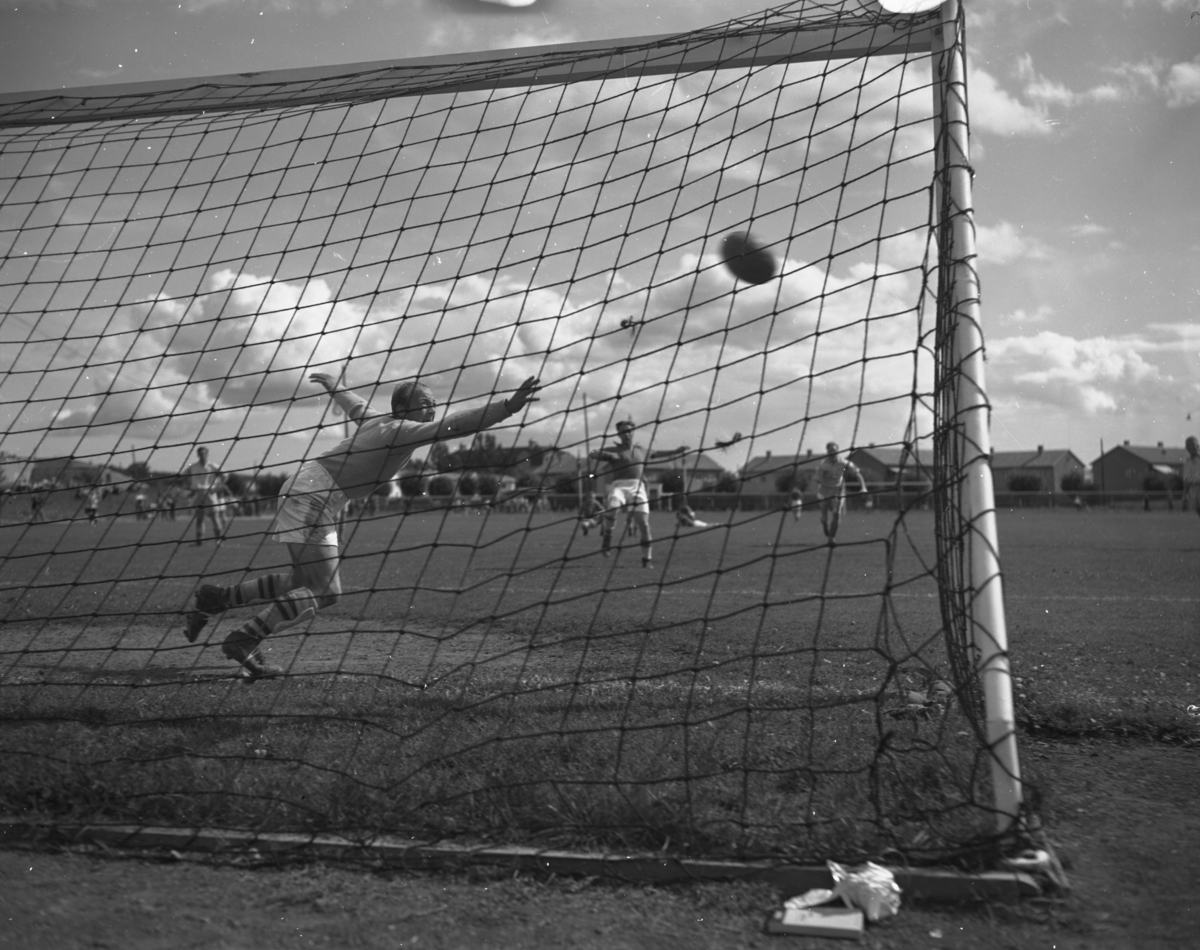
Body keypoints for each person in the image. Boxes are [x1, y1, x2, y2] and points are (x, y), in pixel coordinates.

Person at [181, 370, 541, 680]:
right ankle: (244, 638)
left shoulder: (379, 421)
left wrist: (335, 386)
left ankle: (217, 598)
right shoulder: (400, 429)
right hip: (313, 495)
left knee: (304, 584)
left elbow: (354, 404)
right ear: (402, 409)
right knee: (323, 590)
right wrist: (506, 407)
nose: (432, 407)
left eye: (433, 401)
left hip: (315, 493)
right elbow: (456, 426)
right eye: (425, 401)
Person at [588, 419, 654, 567]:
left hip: (637, 487)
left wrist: (677, 451)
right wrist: (605, 455)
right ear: (619, 434)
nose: (627, 434)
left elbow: (660, 454)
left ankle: (646, 560)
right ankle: (607, 538)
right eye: (623, 431)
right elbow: (592, 453)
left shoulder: (641, 450)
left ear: (633, 432)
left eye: (629, 431)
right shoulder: (614, 450)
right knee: (612, 508)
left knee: (643, 524)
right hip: (619, 486)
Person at [814, 442, 867, 542]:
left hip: (838, 491)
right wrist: (818, 490)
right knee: (824, 517)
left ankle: (831, 538)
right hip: (825, 491)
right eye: (830, 450)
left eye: (835, 450)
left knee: (837, 514)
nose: (833, 452)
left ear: (838, 451)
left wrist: (863, 487)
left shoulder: (843, 462)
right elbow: (817, 480)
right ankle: (824, 525)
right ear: (827, 451)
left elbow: (857, 473)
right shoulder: (823, 465)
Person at [182, 447, 226, 545]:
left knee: (215, 517)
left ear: (207, 454)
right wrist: (189, 487)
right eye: (200, 453)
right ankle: (199, 541)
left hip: (209, 492)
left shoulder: (213, 466)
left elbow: (225, 476)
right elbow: (183, 476)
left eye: (204, 453)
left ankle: (218, 540)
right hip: (198, 492)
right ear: (198, 455)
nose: (202, 455)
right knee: (199, 518)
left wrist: (217, 488)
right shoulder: (193, 466)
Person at [1183, 435, 1200, 518]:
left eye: (1192, 444)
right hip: (1192, 490)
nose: (1191, 447)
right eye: (1188, 445)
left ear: (1198, 445)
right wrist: (1184, 495)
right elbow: (1186, 480)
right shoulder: (1187, 462)